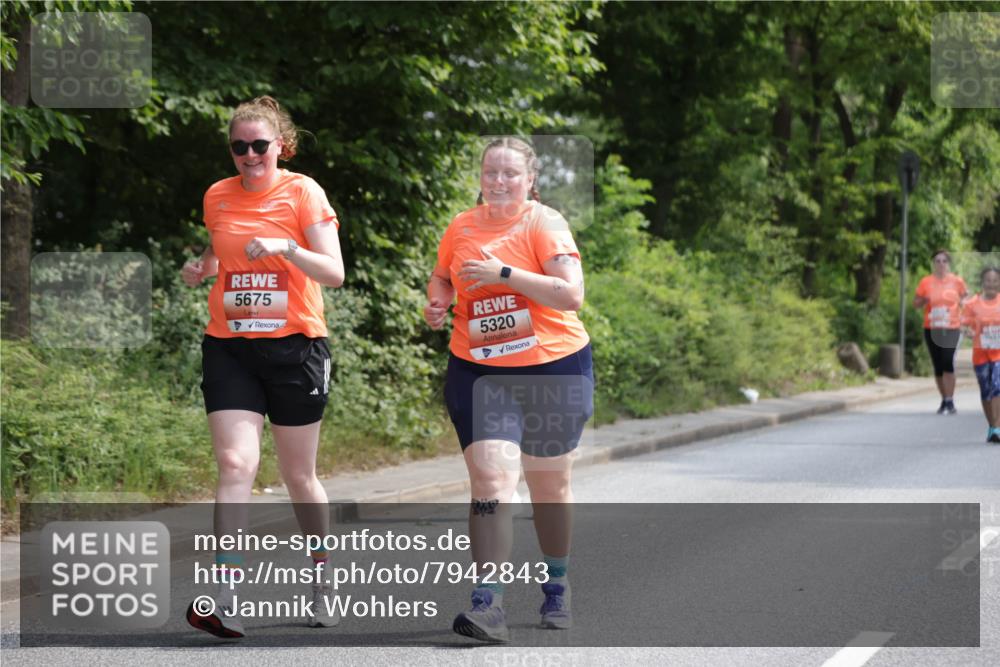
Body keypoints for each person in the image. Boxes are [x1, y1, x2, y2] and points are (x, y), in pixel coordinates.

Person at [181, 96, 345, 638]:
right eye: (238, 146)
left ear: (281, 146)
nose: (249, 155)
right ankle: (225, 594)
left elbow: (334, 272)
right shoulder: (215, 195)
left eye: (259, 145)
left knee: (299, 476)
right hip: (229, 344)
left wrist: (286, 248)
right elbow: (220, 249)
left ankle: (323, 580)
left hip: (296, 346)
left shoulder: (302, 192)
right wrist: (203, 266)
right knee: (234, 464)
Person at [424, 137, 594, 642]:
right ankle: (487, 603)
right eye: (490, 172)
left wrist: (504, 273)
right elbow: (442, 278)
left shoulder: (545, 223)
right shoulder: (461, 226)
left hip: (551, 367)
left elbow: (571, 295)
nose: (498, 182)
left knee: (549, 487)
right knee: (492, 481)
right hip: (480, 370)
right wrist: (437, 302)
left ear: (530, 180)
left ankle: (557, 585)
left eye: (510, 174)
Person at [914, 250, 968, 414]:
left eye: (944, 261)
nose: (941, 264)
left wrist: (962, 303)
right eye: (937, 261)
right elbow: (916, 303)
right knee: (937, 365)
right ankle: (944, 399)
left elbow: (966, 298)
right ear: (933, 264)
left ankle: (950, 400)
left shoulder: (956, 281)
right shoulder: (926, 282)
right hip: (932, 326)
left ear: (948, 264)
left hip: (951, 326)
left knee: (947, 361)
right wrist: (924, 300)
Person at [961, 267, 1000, 443]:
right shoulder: (972, 304)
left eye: (995, 280)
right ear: (982, 282)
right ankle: (992, 426)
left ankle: (998, 426)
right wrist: (968, 332)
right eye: (988, 280)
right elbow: (963, 325)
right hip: (980, 354)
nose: (991, 284)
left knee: (997, 386)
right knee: (985, 391)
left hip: (999, 354)